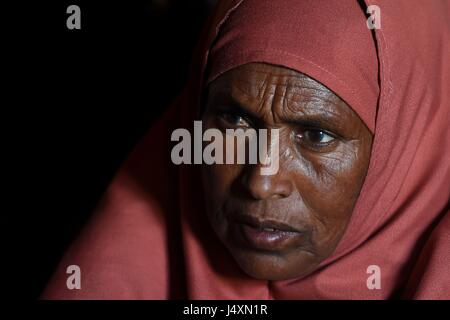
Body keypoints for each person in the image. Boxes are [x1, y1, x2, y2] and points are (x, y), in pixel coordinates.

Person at [43, 0, 450, 299]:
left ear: (411, 139)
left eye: (316, 136)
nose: (260, 181)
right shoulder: (124, 258)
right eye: (235, 122)